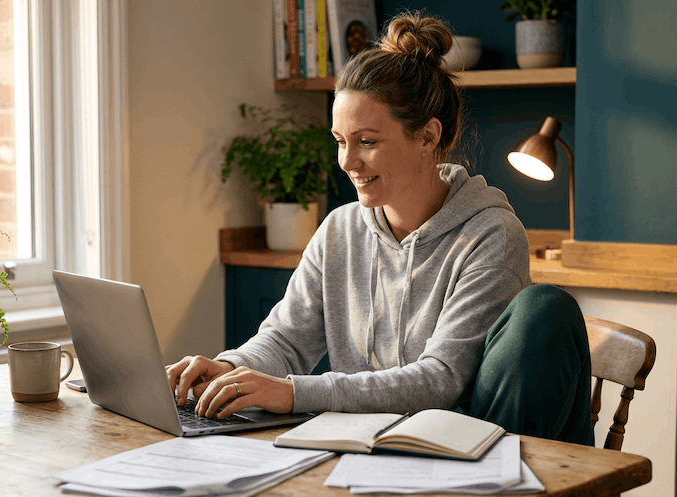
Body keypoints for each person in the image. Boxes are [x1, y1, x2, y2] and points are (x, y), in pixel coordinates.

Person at [167, 12, 593, 446]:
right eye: (340, 141)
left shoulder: (490, 236)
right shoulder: (339, 230)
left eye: (367, 141)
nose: (348, 162)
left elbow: (441, 379)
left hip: (448, 448)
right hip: (358, 445)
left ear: (428, 138)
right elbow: (284, 341)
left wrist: (294, 392)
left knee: (546, 306)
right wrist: (230, 368)